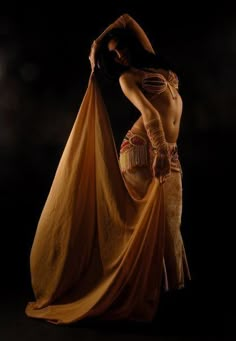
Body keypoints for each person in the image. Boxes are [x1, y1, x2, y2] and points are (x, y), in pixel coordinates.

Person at [25, 13, 191, 325]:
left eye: (121, 49)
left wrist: (98, 43)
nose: (120, 55)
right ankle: (139, 295)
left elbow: (127, 19)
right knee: (146, 223)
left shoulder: (152, 65)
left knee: (169, 221)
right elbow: (151, 113)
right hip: (143, 149)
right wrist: (157, 150)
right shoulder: (127, 78)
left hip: (166, 150)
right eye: (112, 54)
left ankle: (156, 295)